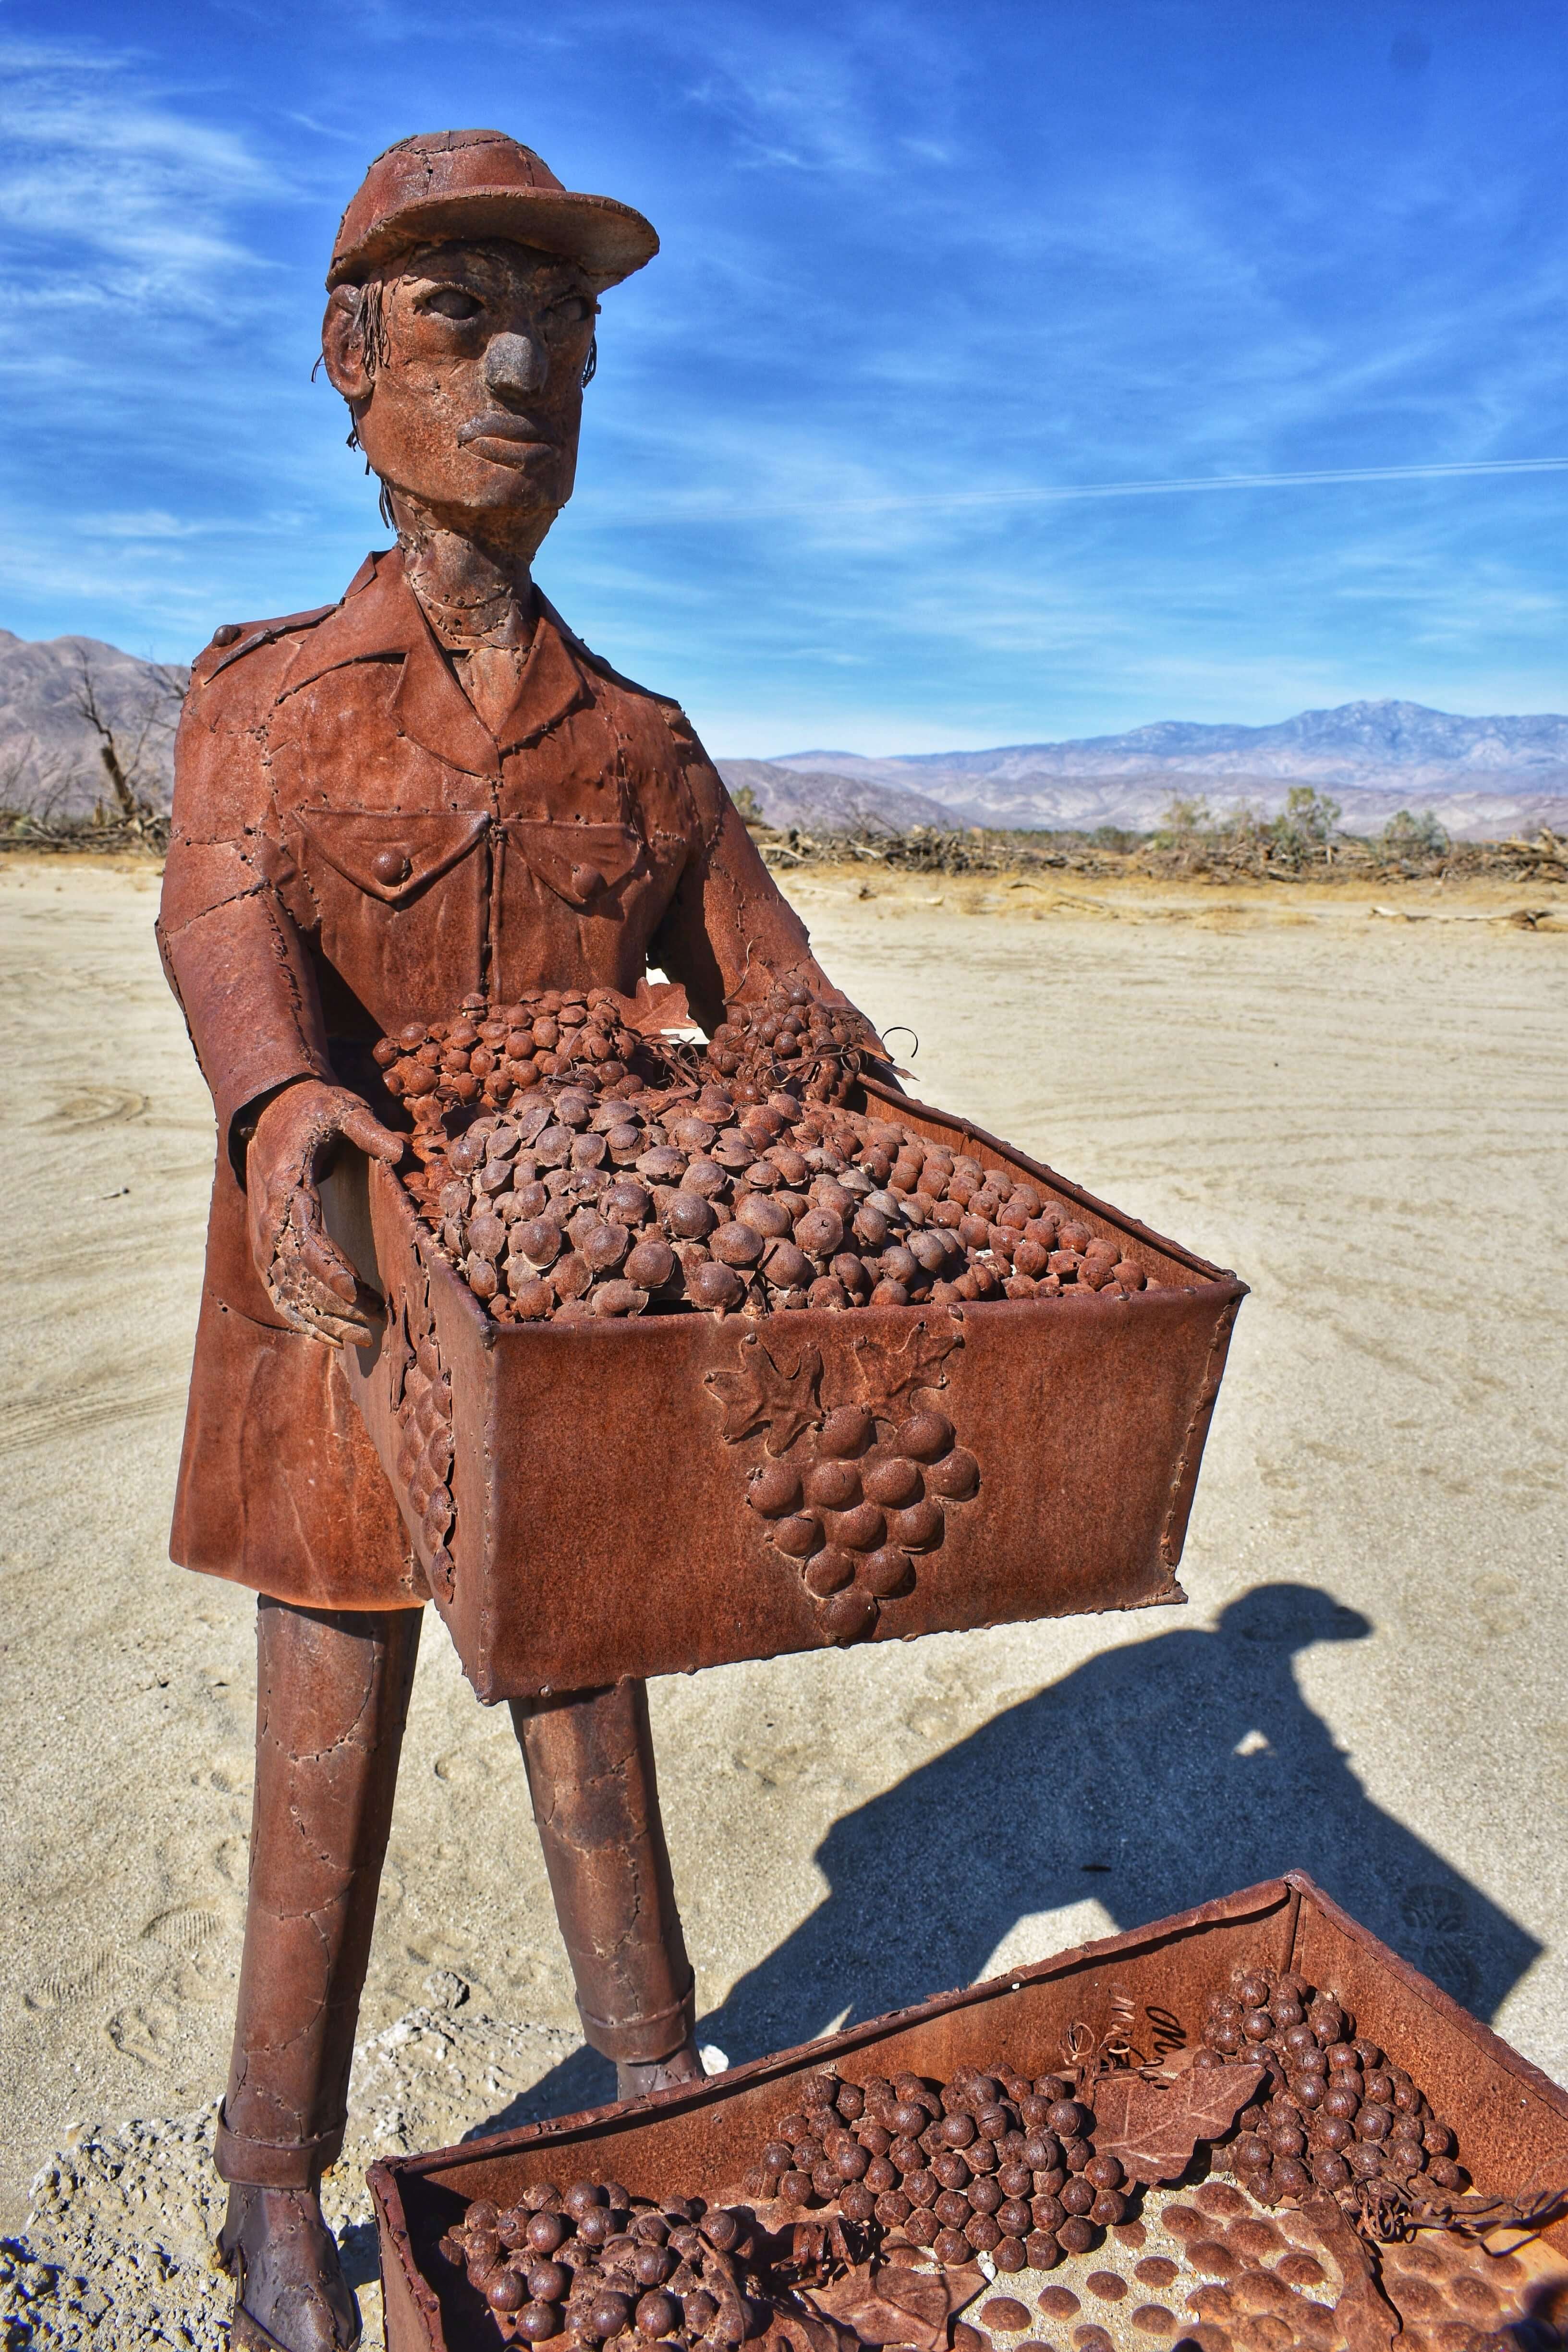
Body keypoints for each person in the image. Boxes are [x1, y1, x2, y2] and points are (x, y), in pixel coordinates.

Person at [157, 129, 881, 2352]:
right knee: (329, 1725)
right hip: (339, 1316)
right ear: (354, 365)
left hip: (575, 1335)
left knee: (592, 1685)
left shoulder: (647, 748)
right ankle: (269, 2171)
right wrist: (286, 1107)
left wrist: (822, 1061)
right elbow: (217, 919)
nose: (523, 369)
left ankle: (651, 2077)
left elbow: (776, 983)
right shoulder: (265, 700)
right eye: (463, 318)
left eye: (559, 324)